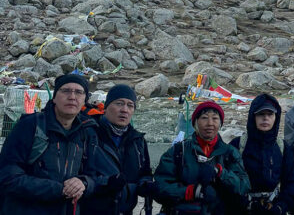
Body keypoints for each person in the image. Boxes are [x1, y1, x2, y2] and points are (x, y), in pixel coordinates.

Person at [0, 73, 100, 215]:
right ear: (54, 98)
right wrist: (59, 189)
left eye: (79, 92)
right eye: (66, 91)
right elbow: (7, 175)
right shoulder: (30, 126)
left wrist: (83, 183)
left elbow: (93, 175)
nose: (72, 97)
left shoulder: (87, 132)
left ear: (85, 100)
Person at [153, 101, 250, 215]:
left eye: (215, 118)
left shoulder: (230, 153)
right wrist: (190, 192)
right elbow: (159, 187)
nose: (210, 123)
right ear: (195, 123)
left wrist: (221, 173)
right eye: (204, 118)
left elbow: (244, 186)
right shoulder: (179, 151)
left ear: (220, 124)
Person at [82, 84, 153, 215]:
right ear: (107, 106)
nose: (124, 110)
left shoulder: (138, 140)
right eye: (119, 103)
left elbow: (145, 172)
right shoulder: (89, 134)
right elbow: (78, 175)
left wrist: (145, 184)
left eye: (130, 105)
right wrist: (106, 183)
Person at [230, 94, 294, 215]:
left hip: (275, 206)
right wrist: (246, 204)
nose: (265, 118)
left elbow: (290, 182)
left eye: (270, 114)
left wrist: (281, 207)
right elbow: (228, 182)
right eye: (261, 114)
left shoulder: (282, 147)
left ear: (276, 117)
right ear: (253, 117)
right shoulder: (237, 145)